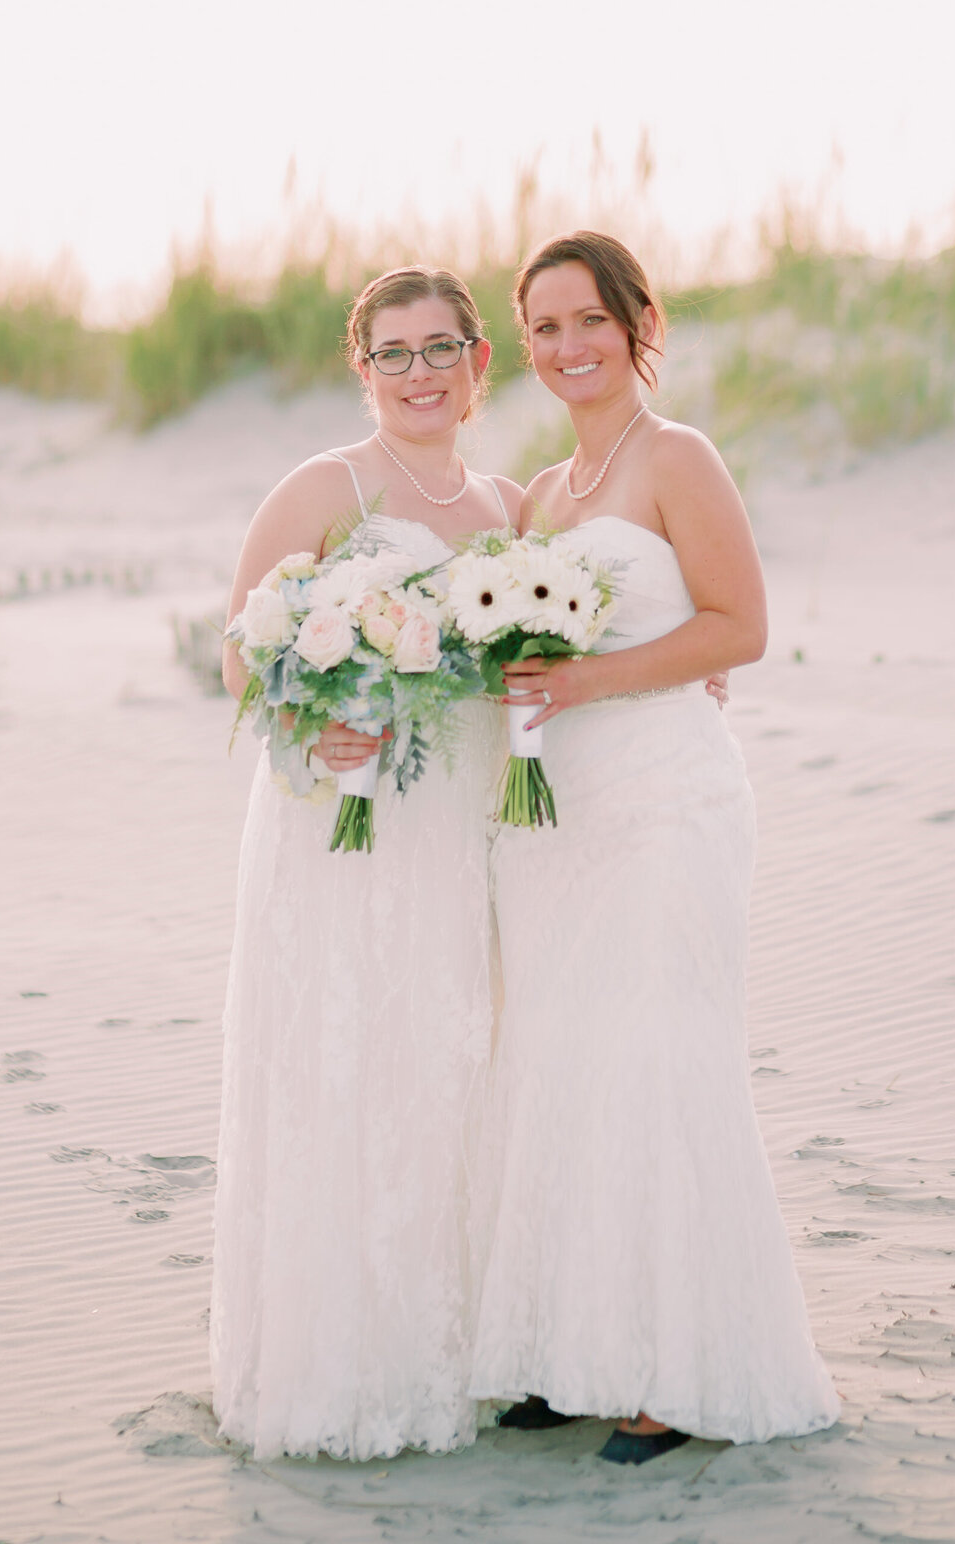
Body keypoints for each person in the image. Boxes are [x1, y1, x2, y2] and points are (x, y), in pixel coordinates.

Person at [470, 232, 840, 1463]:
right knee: (559, 1063)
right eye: (544, 329)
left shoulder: (679, 459)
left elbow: (743, 628)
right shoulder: (534, 496)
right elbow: (507, 661)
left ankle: (676, 1374)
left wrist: (593, 681)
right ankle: (568, 1357)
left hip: (666, 805)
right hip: (555, 821)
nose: (567, 348)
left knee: (658, 1060)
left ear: (637, 325)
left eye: (588, 321)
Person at [211, 266, 521, 1461]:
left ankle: (446, 1345)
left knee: (442, 1057)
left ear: (478, 361)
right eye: (393, 353)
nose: (420, 373)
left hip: (452, 823)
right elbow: (244, 652)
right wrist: (312, 722)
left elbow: (536, 636)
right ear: (362, 369)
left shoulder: (501, 505)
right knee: (340, 1057)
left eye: (442, 348)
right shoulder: (324, 486)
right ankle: (335, 1363)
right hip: (336, 814)